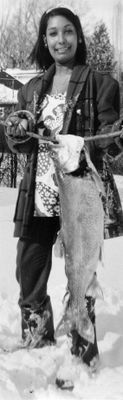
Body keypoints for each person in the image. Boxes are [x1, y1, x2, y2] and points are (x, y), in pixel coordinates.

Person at [2, 5, 123, 369]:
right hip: (38, 194)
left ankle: (82, 348)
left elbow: (111, 141)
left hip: (80, 193)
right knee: (30, 268)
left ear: (79, 36)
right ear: (44, 40)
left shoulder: (102, 83)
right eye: (52, 33)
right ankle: (37, 339)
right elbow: (21, 145)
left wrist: (114, 137)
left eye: (67, 31)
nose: (61, 39)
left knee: (81, 269)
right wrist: (18, 128)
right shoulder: (33, 87)